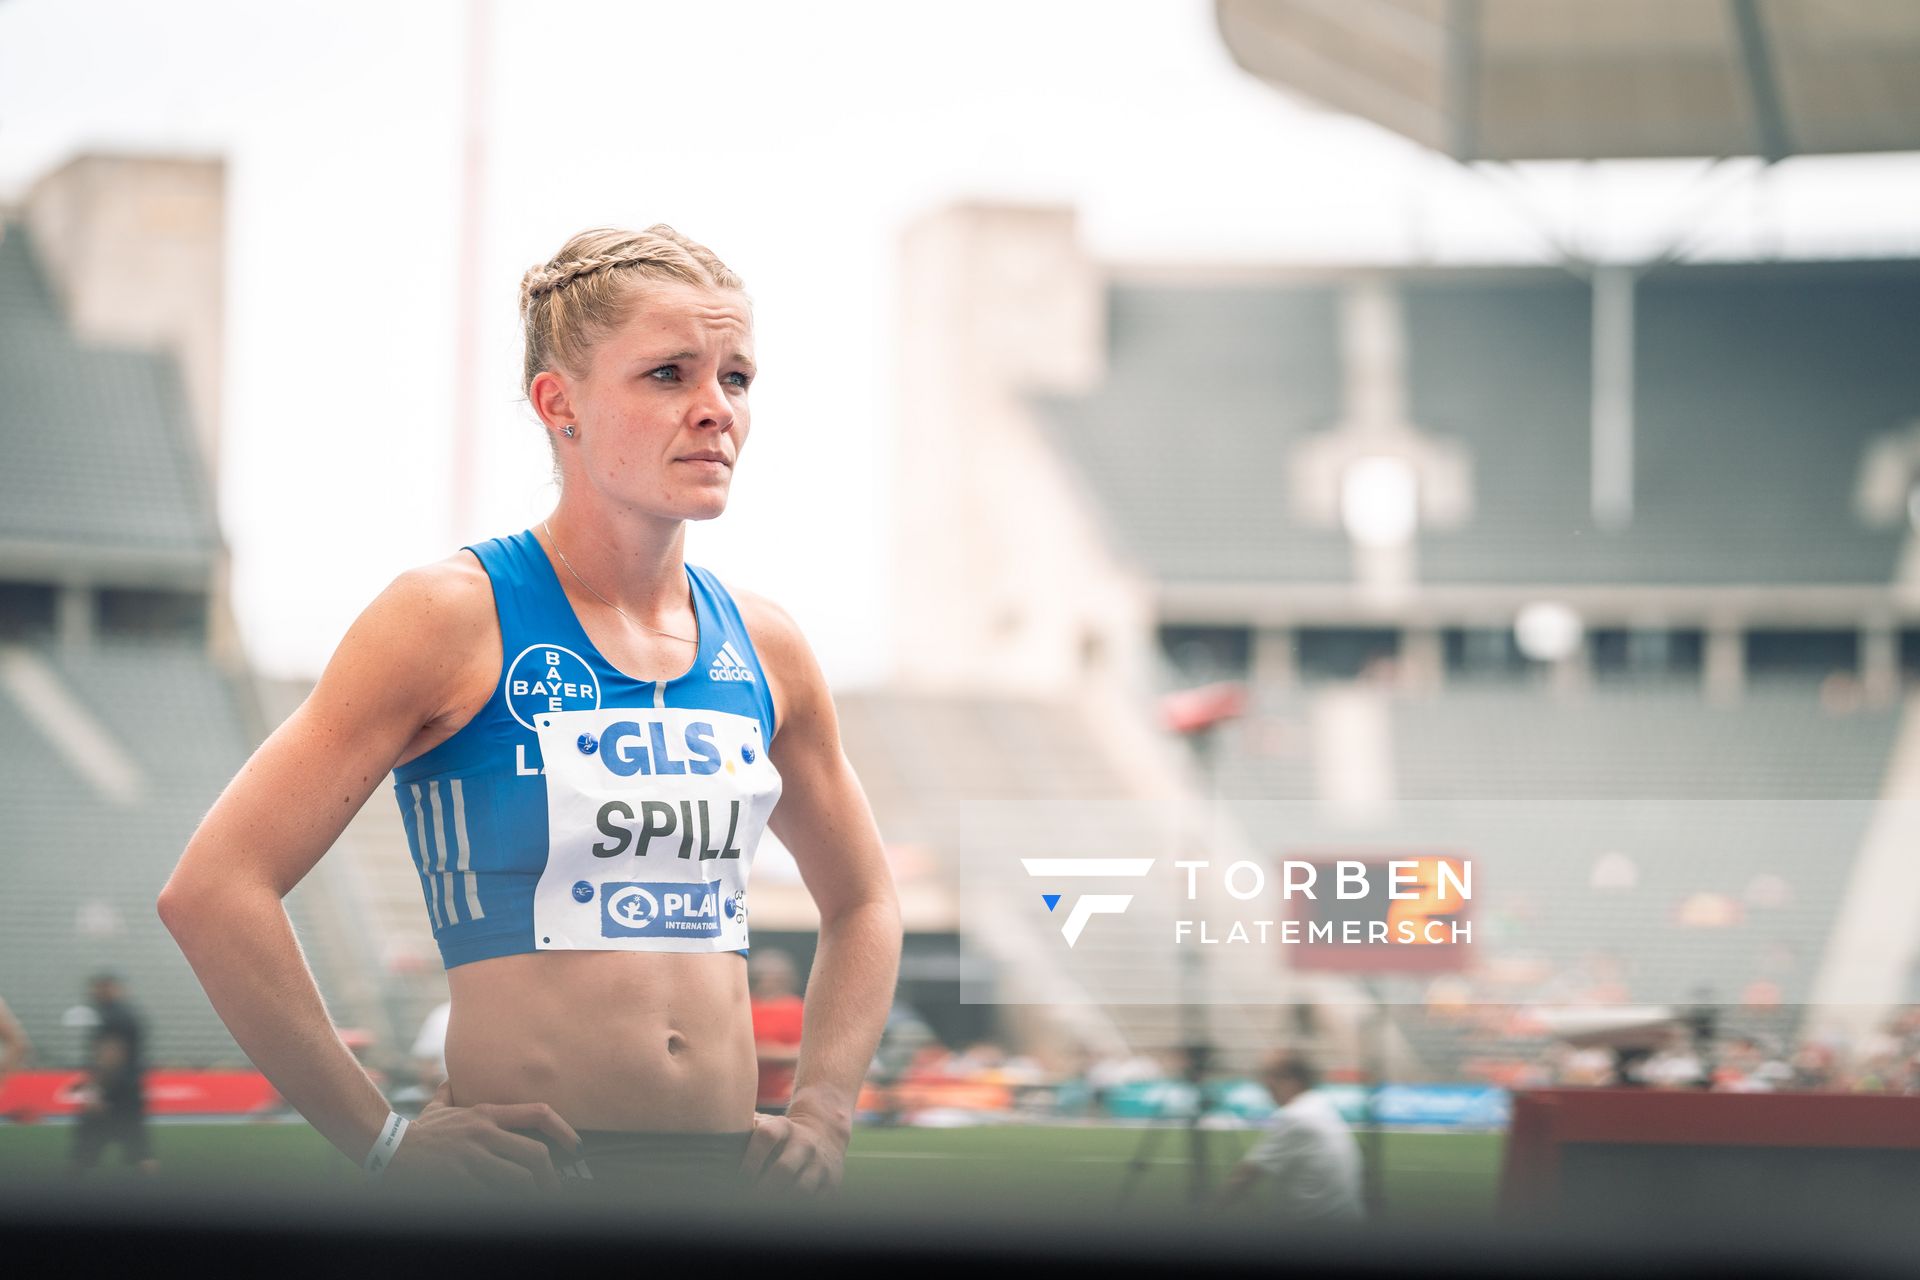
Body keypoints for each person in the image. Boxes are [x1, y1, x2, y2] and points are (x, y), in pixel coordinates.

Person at [160, 226, 902, 1198]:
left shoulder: (766, 645)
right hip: (532, 1187)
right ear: (562, 406)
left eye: (738, 376)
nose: (716, 409)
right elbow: (214, 887)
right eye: (670, 373)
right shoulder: (447, 616)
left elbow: (865, 902)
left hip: (729, 1187)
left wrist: (825, 1105)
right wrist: (379, 1137)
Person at [1216, 1052, 1362, 1227]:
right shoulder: (1317, 1103)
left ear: (1293, 1080)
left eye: (1271, 1076)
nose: (1266, 1084)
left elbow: (1245, 1176)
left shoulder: (1295, 1116)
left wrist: (1208, 1213)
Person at [70, 973, 157, 1176]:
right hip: (131, 1086)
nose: (93, 992)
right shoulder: (129, 1014)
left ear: (109, 988)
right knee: (138, 1145)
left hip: (113, 1088)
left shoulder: (111, 1017)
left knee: (85, 1145)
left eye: (98, 988)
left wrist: (96, 1088)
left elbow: (111, 1054)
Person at [748, 951, 805, 1114]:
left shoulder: (797, 1009)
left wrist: (765, 1052)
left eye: (774, 975)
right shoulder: (745, 1007)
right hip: (747, 1096)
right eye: (762, 974)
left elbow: (807, 1052)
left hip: (784, 1098)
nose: (768, 980)